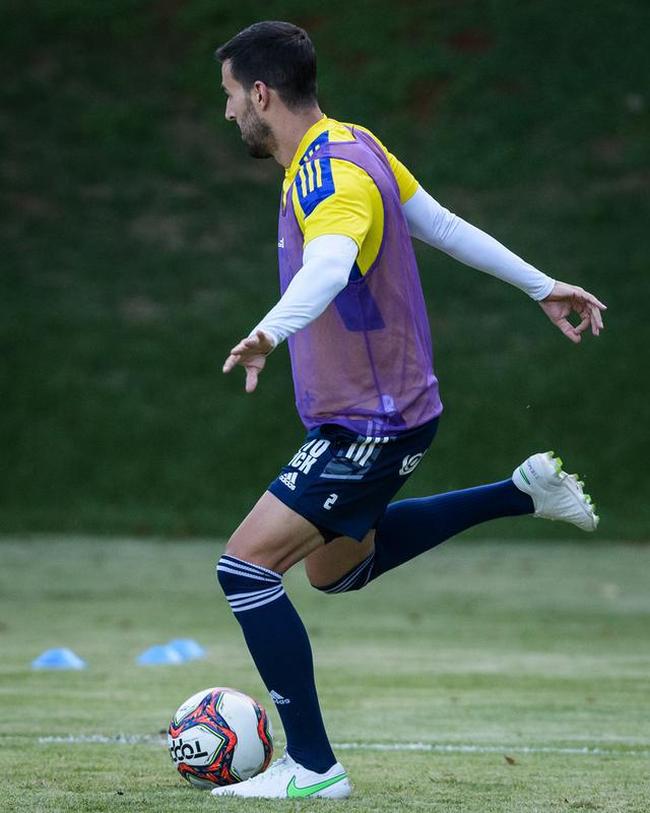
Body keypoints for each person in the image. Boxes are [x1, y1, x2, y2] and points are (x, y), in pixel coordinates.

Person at [211, 21, 606, 800]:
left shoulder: (329, 176)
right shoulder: (355, 141)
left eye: (228, 96)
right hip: (379, 413)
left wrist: (268, 331)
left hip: (372, 423)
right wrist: (540, 283)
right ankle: (521, 491)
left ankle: (315, 769)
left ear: (262, 93)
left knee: (245, 567)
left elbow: (327, 264)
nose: (226, 113)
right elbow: (444, 226)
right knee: (336, 570)